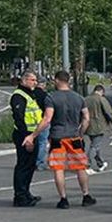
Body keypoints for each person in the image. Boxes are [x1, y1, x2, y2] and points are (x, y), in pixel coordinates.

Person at [44, 71, 95, 209]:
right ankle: (86, 195)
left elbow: (48, 118)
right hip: (74, 136)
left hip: (57, 137)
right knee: (80, 167)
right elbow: (86, 118)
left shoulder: (51, 97)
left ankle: (63, 198)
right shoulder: (79, 98)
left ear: (56, 80)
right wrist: (81, 132)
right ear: (68, 80)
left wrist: (35, 134)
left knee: (58, 168)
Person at [10, 71, 46, 207]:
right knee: (23, 166)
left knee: (30, 166)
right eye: (32, 80)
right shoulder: (19, 96)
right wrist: (27, 138)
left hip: (32, 134)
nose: (35, 83)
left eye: (35, 80)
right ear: (24, 80)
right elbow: (19, 118)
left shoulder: (30, 94)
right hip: (24, 135)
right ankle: (20, 196)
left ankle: (26, 193)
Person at [84, 84, 112, 173]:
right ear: (101, 91)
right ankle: (87, 164)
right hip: (99, 125)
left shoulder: (86, 99)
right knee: (94, 146)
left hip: (88, 125)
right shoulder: (101, 99)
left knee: (95, 145)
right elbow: (108, 112)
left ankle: (100, 163)